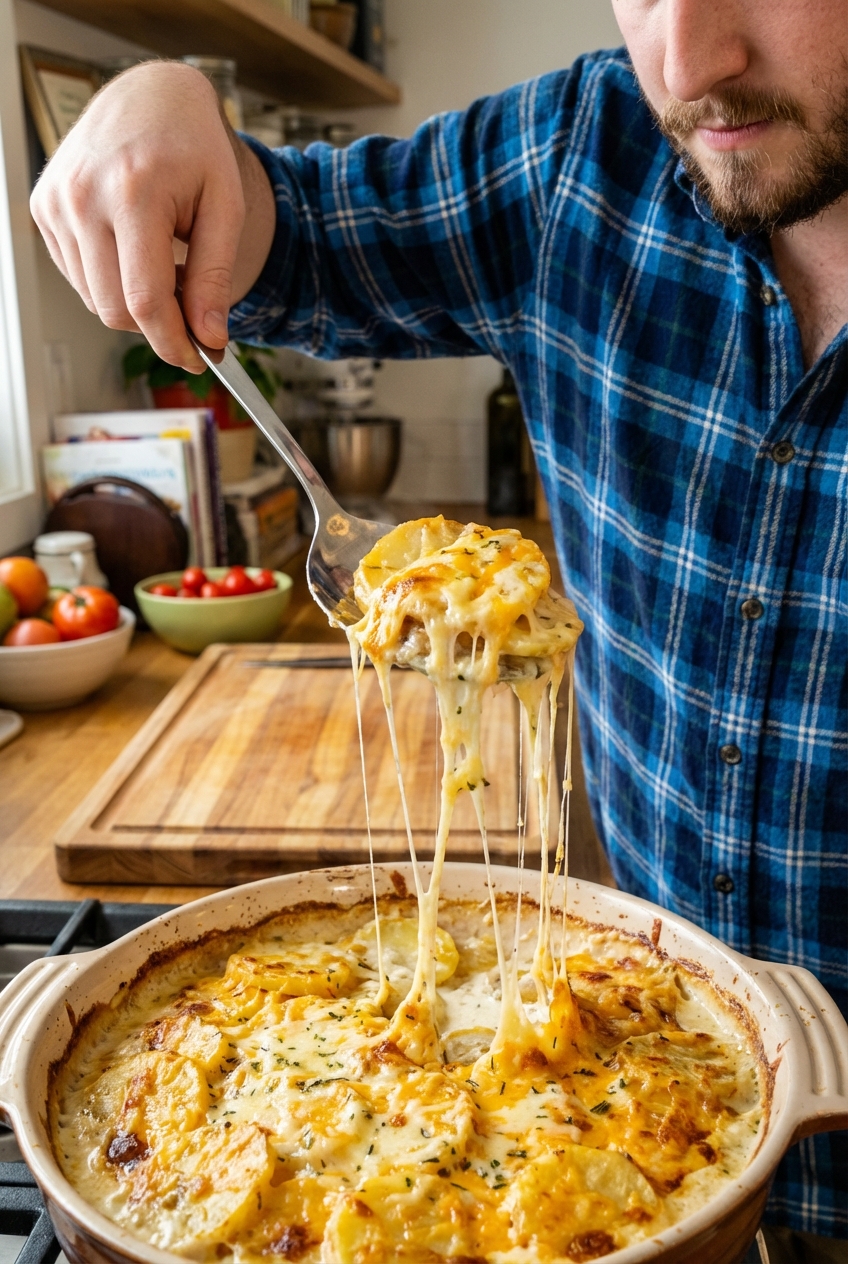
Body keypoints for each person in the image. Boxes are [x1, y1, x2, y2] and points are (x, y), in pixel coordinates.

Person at [30, 0, 846, 1254]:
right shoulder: (583, 149)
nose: (687, 63)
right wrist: (164, 113)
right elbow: (278, 233)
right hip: (630, 1079)